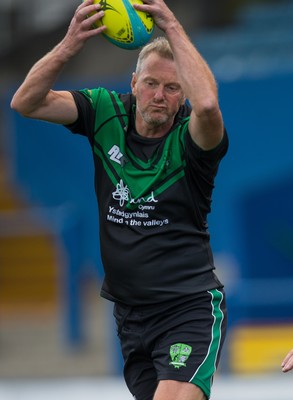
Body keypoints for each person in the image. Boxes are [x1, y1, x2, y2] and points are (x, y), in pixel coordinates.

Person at [10, 0, 228, 399]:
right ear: (132, 82)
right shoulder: (104, 111)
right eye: (150, 83)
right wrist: (68, 45)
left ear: (182, 96)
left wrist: (173, 27)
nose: (159, 95)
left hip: (188, 310)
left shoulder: (193, 140)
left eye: (172, 87)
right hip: (130, 318)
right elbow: (26, 102)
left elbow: (209, 105)